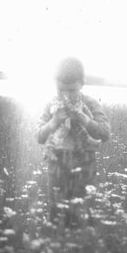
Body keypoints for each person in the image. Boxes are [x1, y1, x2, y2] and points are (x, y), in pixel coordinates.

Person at [36, 57, 110, 223]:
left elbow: (105, 133)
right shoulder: (50, 104)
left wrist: (83, 118)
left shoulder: (90, 103)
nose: (66, 96)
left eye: (71, 90)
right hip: (57, 162)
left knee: (82, 212)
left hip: (84, 162)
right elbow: (39, 136)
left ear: (81, 84)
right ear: (55, 83)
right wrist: (53, 122)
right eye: (61, 90)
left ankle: (79, 245)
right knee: (56, 212)